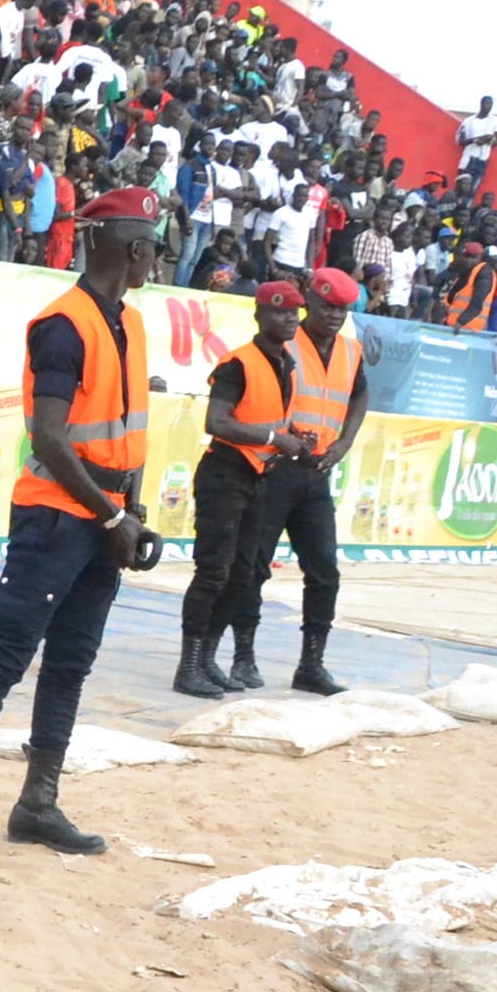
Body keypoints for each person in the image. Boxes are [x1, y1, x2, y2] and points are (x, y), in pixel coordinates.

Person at [0, 188, 164, 865]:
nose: (156, 256)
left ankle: (37, 803)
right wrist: (113, 514)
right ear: (130, 248)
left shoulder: (130, 323)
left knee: (70, 663)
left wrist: (132, 510)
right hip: (58, 518)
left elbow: (131, 432)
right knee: (6, 657)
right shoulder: (62, 325)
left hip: (103, 517)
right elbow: (53, 440)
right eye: (151, 244)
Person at [223, 264, 367, 697]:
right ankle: (242, 656)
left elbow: (360, 395)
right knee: (253, 567)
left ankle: (311, 664)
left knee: (324, 571)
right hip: (275, 469)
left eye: (343, 309)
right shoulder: (284, 342)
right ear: (310, 302)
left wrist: (343, 445)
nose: (335, 316)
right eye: (327, 306)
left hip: (316, 473)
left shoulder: (350, 351)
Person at [176, 276, 304, 700]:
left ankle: (208, 657)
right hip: (225, 474)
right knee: (213, 570)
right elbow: (217, 422)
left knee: (243, 574)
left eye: (294, 312)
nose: (289, 319)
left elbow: (269, 415)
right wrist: (272, 438)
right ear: (260, 314)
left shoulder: (286, 364)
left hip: (258, 476)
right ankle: (189, 664)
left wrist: (293, 435)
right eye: (281, 311)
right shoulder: (238, 363)